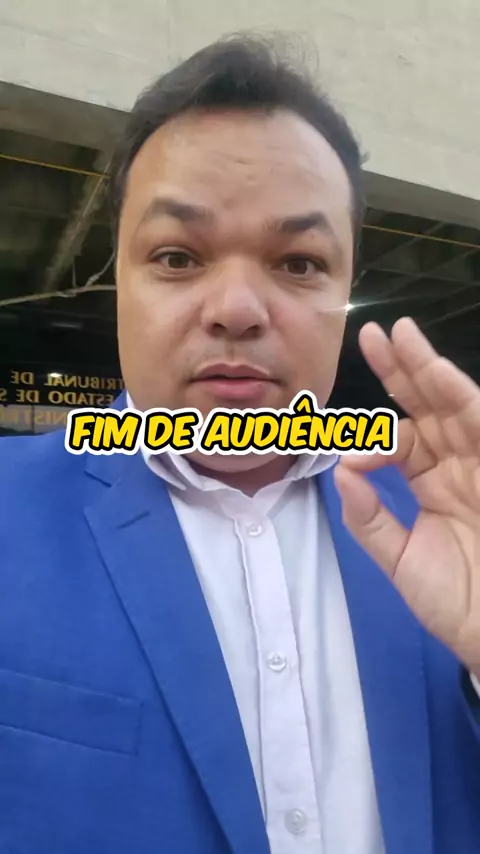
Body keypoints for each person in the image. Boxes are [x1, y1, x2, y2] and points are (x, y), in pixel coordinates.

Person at [0, 34, 479, 854]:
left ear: (347, 286)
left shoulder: (444, 529)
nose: (236, 309)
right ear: (119, 278)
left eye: (298, 263)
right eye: (177, 256)